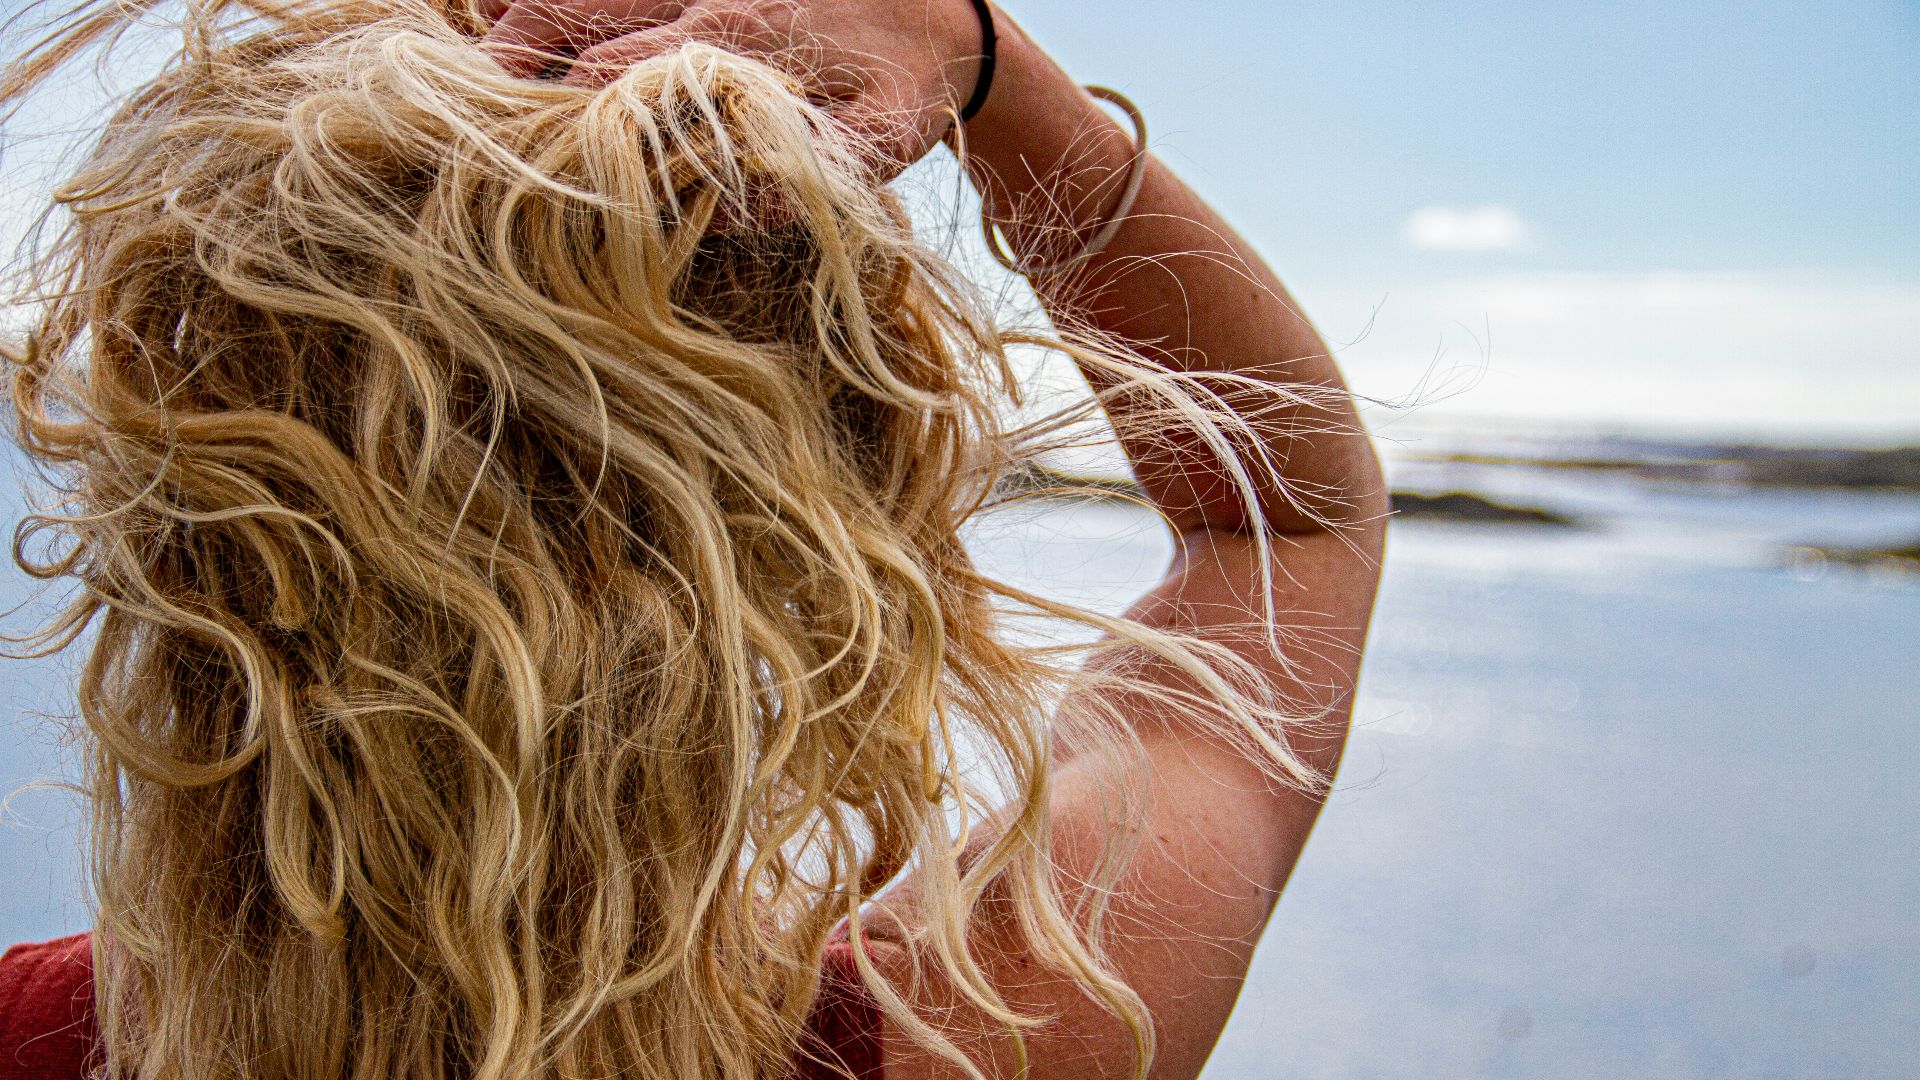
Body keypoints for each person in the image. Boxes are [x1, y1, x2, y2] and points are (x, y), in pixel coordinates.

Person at [0, 0, 1386, 1076]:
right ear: (801, 577)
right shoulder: (988, 1035)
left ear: (177, 537)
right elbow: (1286, 523)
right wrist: (979, 68)